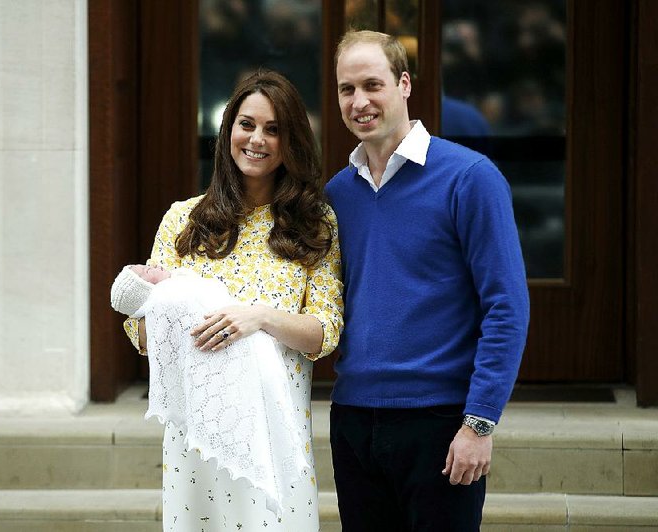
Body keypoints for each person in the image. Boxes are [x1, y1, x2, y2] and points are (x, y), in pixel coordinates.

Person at [325, 30, 530, 531]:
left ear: (404, 84)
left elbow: (506, 306)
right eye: (346, 89)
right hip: (352, 419)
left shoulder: (469, 177)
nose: (360, 101)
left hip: (440, 421)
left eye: (372, 85)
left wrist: (479, 422)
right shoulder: (337, 193)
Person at [122, 70, 343, 531]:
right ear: (228, 132)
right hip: (197, 434)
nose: (256, 139)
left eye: (273, 129)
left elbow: (325, 333)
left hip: (275, 430)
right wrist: (182, 313)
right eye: (246, 124)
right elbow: (140, 331)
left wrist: (257, 318)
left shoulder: (314, 223)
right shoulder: (185, 219)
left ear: (291, 141)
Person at [111, 263, 309, 516]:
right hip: (199, 424)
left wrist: (260, 316)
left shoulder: (314, 231)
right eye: (144, 272)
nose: (151, 266)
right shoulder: (179, 236)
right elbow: (140, 325)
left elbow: (326, 331)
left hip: (274, 399)